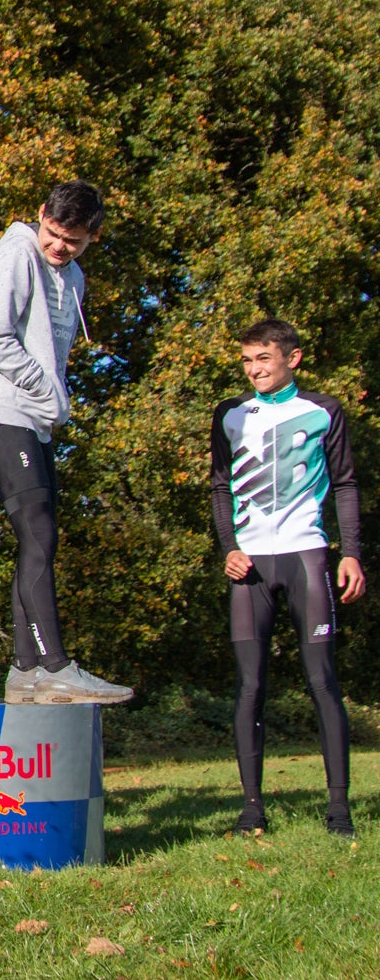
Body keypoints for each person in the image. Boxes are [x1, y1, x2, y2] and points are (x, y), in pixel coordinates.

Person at [0, 181, 131, 705]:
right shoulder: (16, 251)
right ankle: (56, 666)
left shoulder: (73, 277)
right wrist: (43, 388)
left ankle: (26, 671)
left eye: (73, 241)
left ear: (90, 238)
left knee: (37, 539)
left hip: (33, 421)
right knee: (40, 535)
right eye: (54, 235)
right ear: (40, 216)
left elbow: (53, 350)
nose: (59, 247)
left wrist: (51, 399)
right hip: (1, 411)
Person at [212, 319, 365, 836]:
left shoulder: (323, 411)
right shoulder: (229, 415)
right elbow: (219, 488)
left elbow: (345, 483)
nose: (254, 369)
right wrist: (229, 548)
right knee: (250, 685)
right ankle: (252, 809)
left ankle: (339, 810)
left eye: (264, 359)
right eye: (247, 361)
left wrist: (352, 554)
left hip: (307, 556)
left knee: (322, 680)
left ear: (292, 359)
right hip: (250, 565)